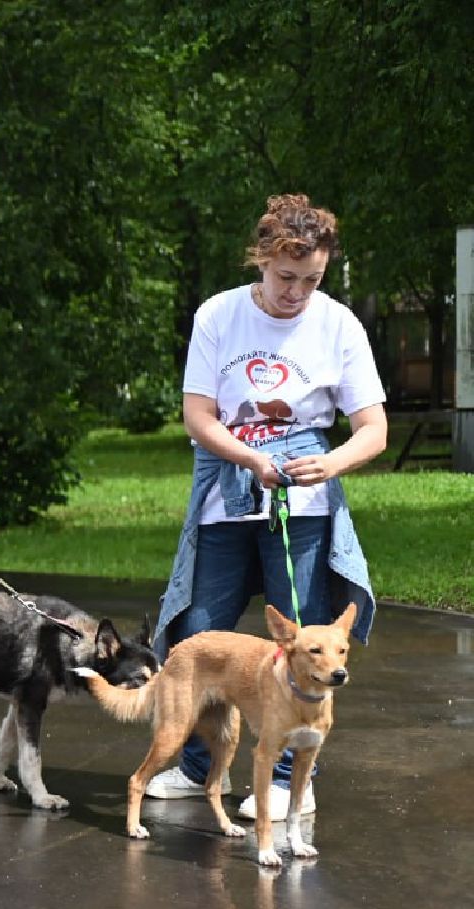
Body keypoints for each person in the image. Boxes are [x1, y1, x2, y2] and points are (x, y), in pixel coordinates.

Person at [146, 194, 387, 821]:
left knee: (301, 638)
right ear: (261, 259)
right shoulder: (218, 315)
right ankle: (201, 768)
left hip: (302, 507)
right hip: (225, 497)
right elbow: (198, 416)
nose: (298, 292)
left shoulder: (338, 324)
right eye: (286, 278)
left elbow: (373, 428)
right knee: (202, 632)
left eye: (312, 280)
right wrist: (250, 458)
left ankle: (282, 781)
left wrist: (330, 464)